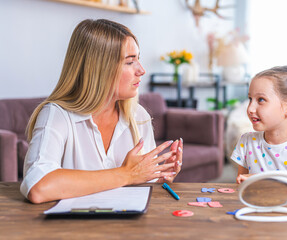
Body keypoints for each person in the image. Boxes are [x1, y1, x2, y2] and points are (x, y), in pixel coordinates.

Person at [20, 19, 183, 203]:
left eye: (138, 59)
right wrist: (125, 174)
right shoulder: (56, 115)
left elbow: (140, 182)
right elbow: (38, 187)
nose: (142, 70)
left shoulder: (139, 116)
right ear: (99, 69)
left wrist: (157, 177)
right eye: (130, 62)